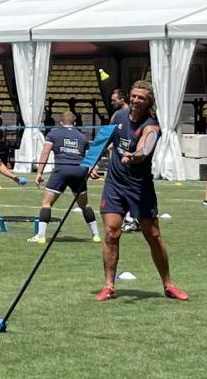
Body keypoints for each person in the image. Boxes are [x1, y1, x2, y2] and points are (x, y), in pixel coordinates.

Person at [95, 81, 188, 302]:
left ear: (149, 103)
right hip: (114, 184)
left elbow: (146, 146)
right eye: (134, 96)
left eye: (141, 98)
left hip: (139, 187)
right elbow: (104, 139)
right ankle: (109, 286)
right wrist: (91, 163)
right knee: (111, 232)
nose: (136, 100)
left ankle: (168, 284)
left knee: (153, 235)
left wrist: (135, 155)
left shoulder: (152, 125)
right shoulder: (118, 117)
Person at [32, 111, 101, 243]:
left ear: (61, 122)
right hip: (79, 171)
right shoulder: (82, 137)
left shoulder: (53, 134)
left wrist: (39, 172)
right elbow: (88, 157)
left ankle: (40, 236)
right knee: (84, 204)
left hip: (61, 170)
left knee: (46, 203)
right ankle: (96, 235)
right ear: (74, 123)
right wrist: (92, 169)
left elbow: (45, 153)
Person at [106, 87, 140, 233]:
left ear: (122, 99)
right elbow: (108, 134)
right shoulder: (117, 115)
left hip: (133, 165)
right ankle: (129, 219)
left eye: (114, 100)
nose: (112, 103)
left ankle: (133, 219)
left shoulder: (138, 116)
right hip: (118, 163)